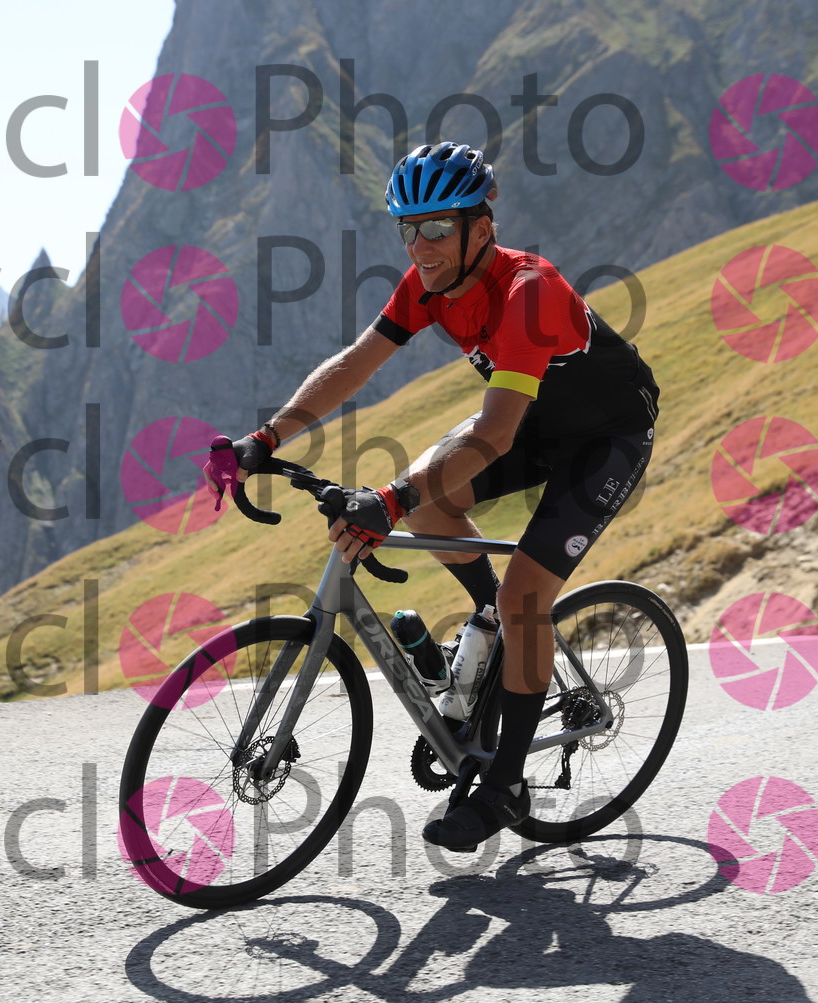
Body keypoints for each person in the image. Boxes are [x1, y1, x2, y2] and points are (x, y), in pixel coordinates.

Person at [213, 141, 660, 850]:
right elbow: (354, 364)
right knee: (431, 503)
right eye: (408, 229)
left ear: (481, 227)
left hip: (605, 438)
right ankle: (491, 627)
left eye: (437, 228)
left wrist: (387, 500)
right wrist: (264, 439)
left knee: (524, 593)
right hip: (534, 423)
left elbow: (494, 431)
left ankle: (506, 786)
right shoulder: (427, 284)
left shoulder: (528, 291)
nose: (420, 246)